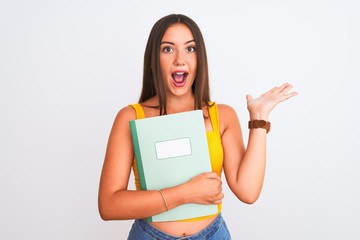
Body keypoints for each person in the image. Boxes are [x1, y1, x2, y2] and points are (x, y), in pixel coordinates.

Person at [98, 13, 297, 239]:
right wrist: (185, 193)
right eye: (168, 49)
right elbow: (109, 205)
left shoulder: (222, 116)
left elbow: (248, 192)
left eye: (190, 49)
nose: (180, 60)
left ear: (199, 59)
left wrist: (259, 118)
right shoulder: (130, 118)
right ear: (154, 60)